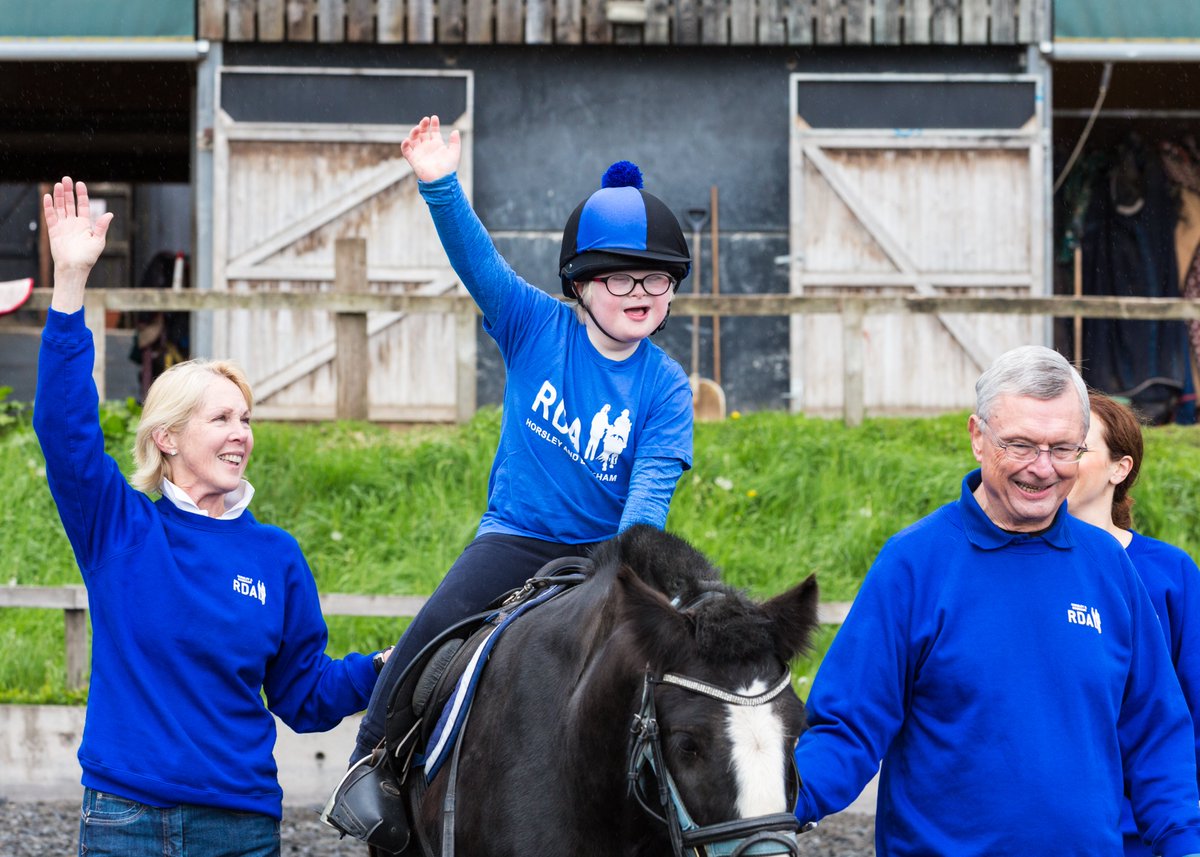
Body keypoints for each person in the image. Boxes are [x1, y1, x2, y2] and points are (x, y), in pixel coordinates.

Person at [34, 177, 389, 857]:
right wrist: (72, 280)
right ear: (167, 437)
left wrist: (384, 665)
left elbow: (304, 695)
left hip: (237, 825)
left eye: (246, 418)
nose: (241, 433)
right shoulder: (119, 527)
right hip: (122, 821)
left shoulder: (276, 556)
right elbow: (63, 425)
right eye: (221, 417)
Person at [351, 116, 694, 761]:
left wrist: (619, 570)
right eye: (621, 278)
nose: (642, 293)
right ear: (581, 286)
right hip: (515, 539)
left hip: (607, 554)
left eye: (657, 280)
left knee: (687, 669)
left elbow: (649, 501)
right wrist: (440, 185)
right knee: (429, 632)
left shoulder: (668, 387)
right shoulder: (534, 326)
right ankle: (369, 766)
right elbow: (478, 263)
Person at [792, 345, 1200, 856]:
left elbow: (1156, 731)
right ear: (977, 438)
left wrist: (1184, 842)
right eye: (1022, 446)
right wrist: (772, 808)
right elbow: (848, 726)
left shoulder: (1108, 564)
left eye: (1063, 448)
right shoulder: (915, 564)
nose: (1043, 468)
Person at [1066, 391, 1200, 857]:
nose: (1058, 460)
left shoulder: (1169, 572)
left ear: (1119, 469)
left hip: (1144, 831)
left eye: (1076, 448)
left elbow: (1191, 702)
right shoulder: (1022, 569)